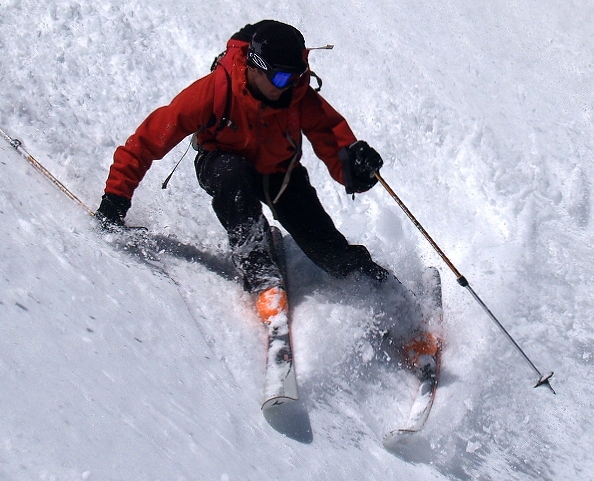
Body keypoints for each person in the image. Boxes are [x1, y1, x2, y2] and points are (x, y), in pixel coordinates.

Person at [96, 20, 436, 371]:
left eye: (297, 76)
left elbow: (332, 139)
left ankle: (397, 304)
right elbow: (147, 141)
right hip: (222, 164)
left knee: (328, 250)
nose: (288, 86)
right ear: (255, 67)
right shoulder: (216, 91)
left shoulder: (297, 94)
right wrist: (115, 200)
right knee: (233, 177)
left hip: (281, 174)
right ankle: (262, 278)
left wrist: (355, 166)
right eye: (280, 78)